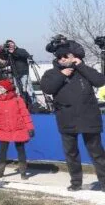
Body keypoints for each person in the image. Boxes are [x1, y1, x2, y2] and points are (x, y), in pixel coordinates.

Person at [40, 48, 105, 192]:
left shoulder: (83, 70)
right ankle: (76, 182)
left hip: (88, 117)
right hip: (66, 118)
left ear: (73, 57)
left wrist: (80, 65)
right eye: (60, 57)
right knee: (71, 153)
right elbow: (47, 88)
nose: (62, 59)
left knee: (97, 152)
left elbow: (100, 81)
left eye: (66, 56)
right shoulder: (52, 73)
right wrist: (61, 75)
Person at [0, 79, 34, 180]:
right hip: (3, 128)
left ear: (7, 89)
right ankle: (0, 171)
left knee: (20, 150)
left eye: (1, 88)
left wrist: (30, 127)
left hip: (18, 128)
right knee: (2, 151)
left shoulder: (17, 99)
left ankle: (23, 172)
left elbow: (24, 113)